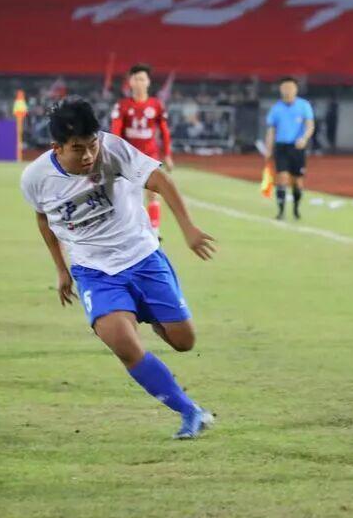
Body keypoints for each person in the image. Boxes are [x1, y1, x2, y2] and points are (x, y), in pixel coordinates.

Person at [19, 98, 217, 439]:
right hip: (94, 271)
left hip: (143, 256)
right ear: (57, 147)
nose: (88, 155)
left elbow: (161, 180)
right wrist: (62, 269)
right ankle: (190, 411)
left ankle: (147, 313)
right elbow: (43, 219)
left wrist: (188, 228)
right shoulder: (35, 178)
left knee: (184, 341)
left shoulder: (113, 150)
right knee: (124, 344)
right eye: (78, 149)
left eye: (92, 145)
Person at [109, 64, 173, 234]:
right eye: (136, 79)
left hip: (150, 155)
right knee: (126, 194)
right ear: (130, 82)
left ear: (148, 82)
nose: (139, 83)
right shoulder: (122, 105)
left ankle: (155, 231)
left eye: (142, 79)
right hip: (129, 157)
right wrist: (115, 154)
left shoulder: (156, 105)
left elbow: (164, 131)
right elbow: (116, 131)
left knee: (153, 193)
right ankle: (128, 229)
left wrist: (167, 154)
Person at [263, 76, 315, 220]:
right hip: (281, 147)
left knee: (297, 181)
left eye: (290, 88)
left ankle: (296, 209)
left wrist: (304, 138)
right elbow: (271, 131)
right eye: (285, 88)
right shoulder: (276, 109)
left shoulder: (304, 106)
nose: (288, 90)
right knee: (282, 177)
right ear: (281, 89)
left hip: (297, 147)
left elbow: (310, 125)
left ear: (296, 89)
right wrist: (268, 149)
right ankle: (281, 212)